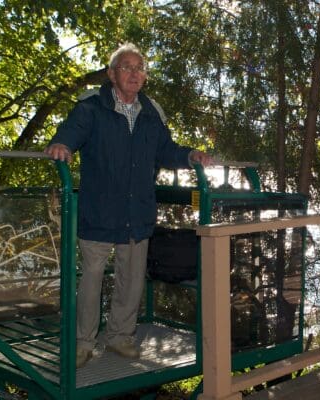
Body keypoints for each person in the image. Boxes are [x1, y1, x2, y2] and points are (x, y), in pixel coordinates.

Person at [45, 42, 212, 368]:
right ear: (111, 74)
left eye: (140, 68)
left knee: (132, 279)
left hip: (137, 213)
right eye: (127, 67)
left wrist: (190, 155)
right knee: (92, 278)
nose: (135, 73)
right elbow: (70, 133)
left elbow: (166, 150)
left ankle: (120, 338)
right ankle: (83, 343)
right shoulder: (92, 107)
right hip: (99, 211)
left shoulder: (151, 112)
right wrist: (62, 144)